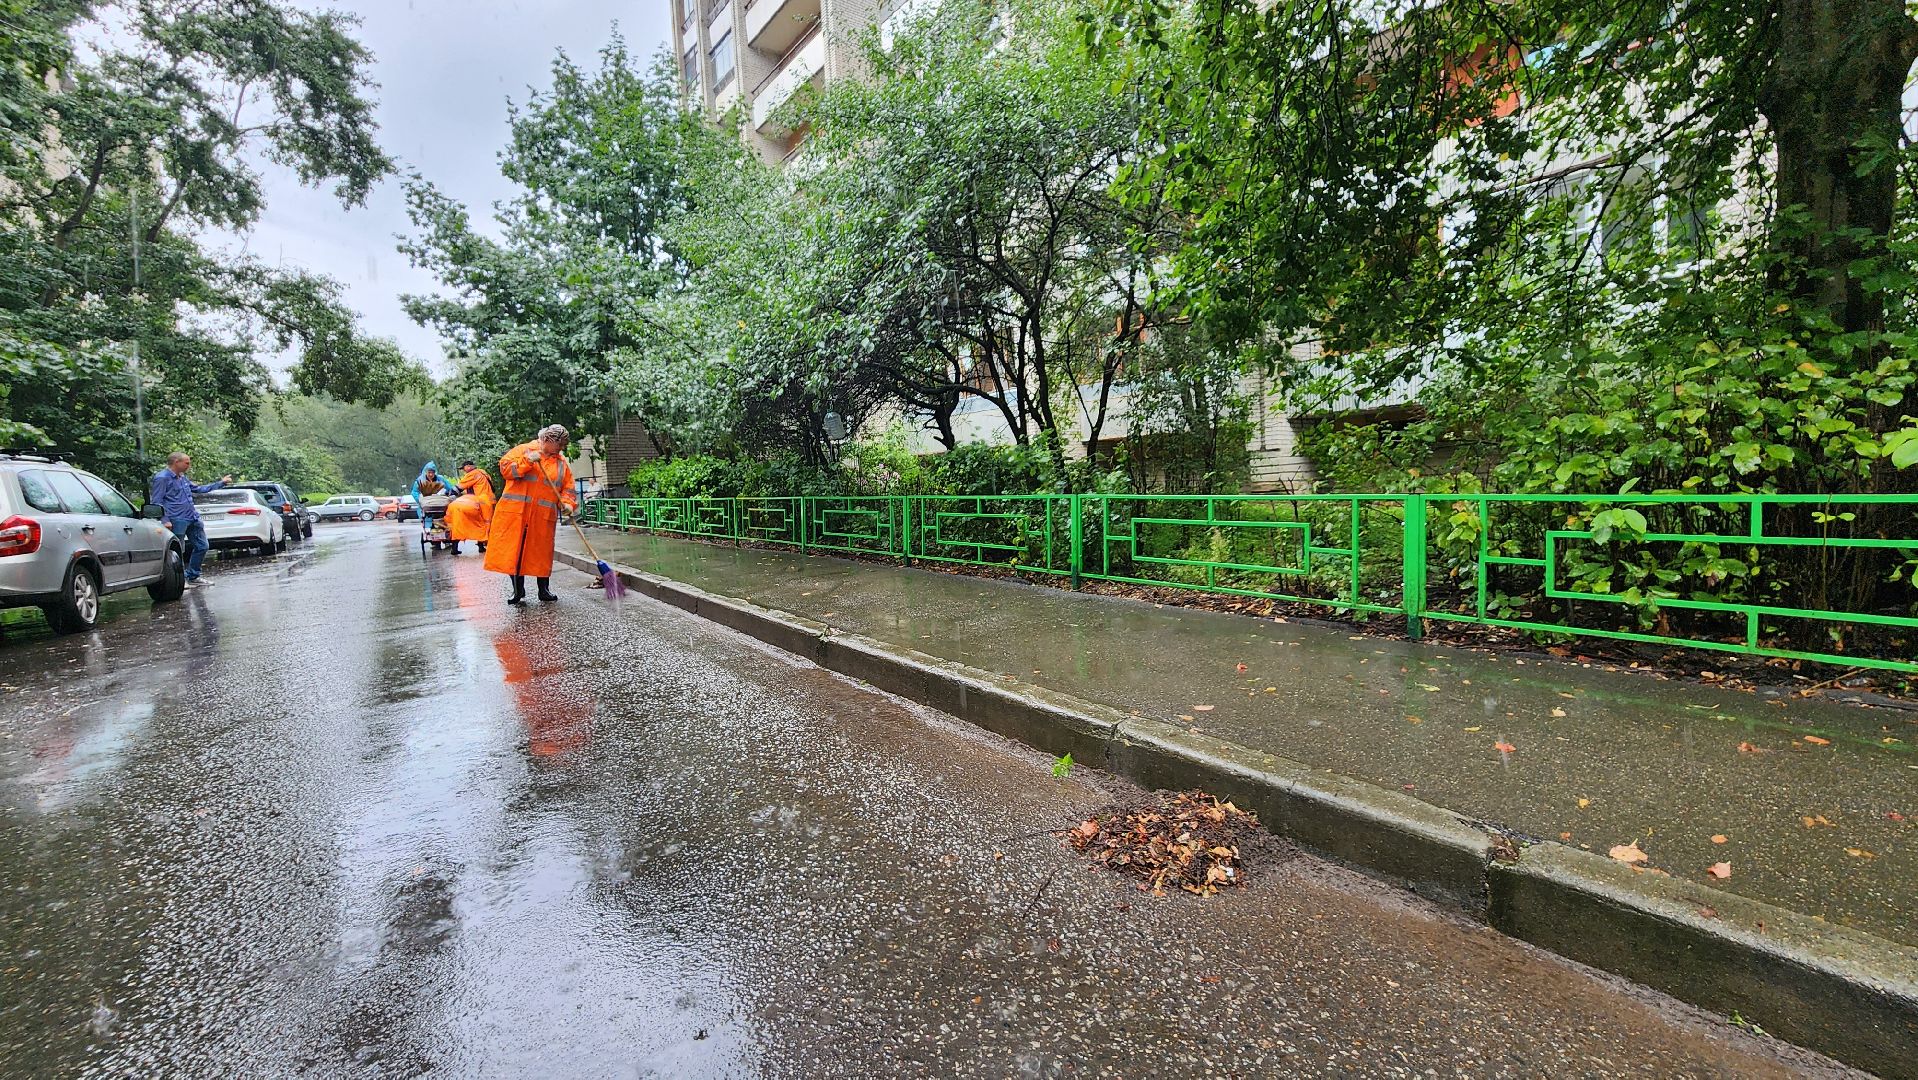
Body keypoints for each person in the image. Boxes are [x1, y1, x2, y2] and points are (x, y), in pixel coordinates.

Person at [483, 425, 577, 604]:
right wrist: (526, 461)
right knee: (515, 553)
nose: (562, 449)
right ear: (549, 440)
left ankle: (544, 590)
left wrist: (567, 504)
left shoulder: (561, 463)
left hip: (542, 517)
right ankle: (518, 591)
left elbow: (568, 488)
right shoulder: (523, 450)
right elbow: (505, 470)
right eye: (560, 444)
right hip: (515, 514)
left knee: (541, 553)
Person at [149, 452, 231, 587]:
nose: (189, 466)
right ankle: (180, 580)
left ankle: (193, 575)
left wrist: (221, 483)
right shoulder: (162, 478)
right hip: (176, 518)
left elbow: (198, 489)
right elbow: (157, 501)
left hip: (192, 517)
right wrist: (165, 519)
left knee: (202, 546)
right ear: (176, 462)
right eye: (186, 463)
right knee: (177, 551)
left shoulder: (182, 477)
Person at [445, 459, 495, 555]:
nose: (464, 471)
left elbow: (460, 487)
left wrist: (448, 493)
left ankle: (455, 547)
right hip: (488, 501)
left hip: (479, 501)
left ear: (468, 466)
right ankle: (482, 546)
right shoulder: (483, 472)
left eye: (464, 469)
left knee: (460, 521)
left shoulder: (472, 474)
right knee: (484, 523)